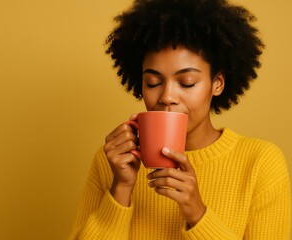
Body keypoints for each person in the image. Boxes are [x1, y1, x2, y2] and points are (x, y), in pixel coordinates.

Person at [69, 0, 291, 239]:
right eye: (153, 83)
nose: (166, 97)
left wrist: (197, 213)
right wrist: (121, 189)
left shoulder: (260, 163)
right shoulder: (112, 161)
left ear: (217, 83)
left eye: (186, 83)